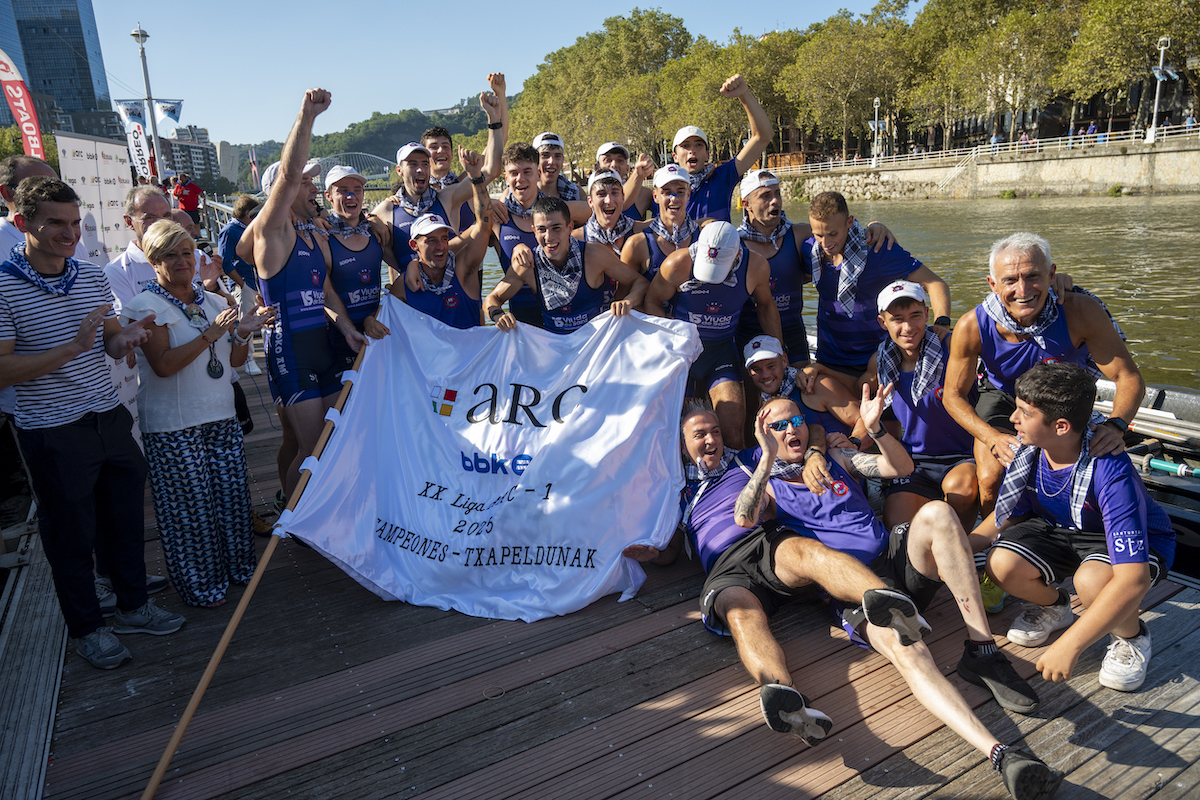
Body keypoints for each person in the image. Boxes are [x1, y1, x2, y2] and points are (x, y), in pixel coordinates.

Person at [625, 402, 1058, 800]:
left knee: (938, 514)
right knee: (907, 651)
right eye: (778, 425)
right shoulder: (741, 480)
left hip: (874, 559)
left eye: (795, 421)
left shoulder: (827, 456)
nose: (790, 429)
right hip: (797, 576)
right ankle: (1000, 753)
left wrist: (865, 431)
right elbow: (742, 517)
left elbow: (895, 465)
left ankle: (978, 646)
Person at [0, 176, 185, 669]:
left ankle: (133, 607)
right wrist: (73, 348)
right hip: (51, 429)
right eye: (55, 224)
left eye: (75, 223)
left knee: (124, 523)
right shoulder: (2, 285)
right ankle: (87, 629)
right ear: (22, 224)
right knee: (71, 537)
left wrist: (127, 339)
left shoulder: (88, 275)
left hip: (107, 416)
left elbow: (107, 340)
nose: (69, 234)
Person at [981, 363, 1175, 693]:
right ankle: (1055, 607)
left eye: (1024, 413)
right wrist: (960, 544)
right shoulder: (1030, 452)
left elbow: (1134, 578)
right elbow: (1009, 516)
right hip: (1062, 529)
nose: (1013, 420)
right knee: (1000, 563)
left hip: (1130, 541)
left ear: (1060, 426)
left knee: (1093, 582)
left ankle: (1132, 636)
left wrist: (1071, 645)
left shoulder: (1110, 470)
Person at [119, 220, 274, 607]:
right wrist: (213, 334)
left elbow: (235, 361)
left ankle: (240, 570)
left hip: (220, 415)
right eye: (170, 255)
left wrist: (242, 332)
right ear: (153, 262)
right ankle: (201, 586)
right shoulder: (145, 308)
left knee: (232, 499)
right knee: (189, 512)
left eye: (186, 252)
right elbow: (164, 366)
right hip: (173, 425)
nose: (182, 261)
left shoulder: (214, 301)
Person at [943, 232, 1144, 517]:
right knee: (990, 477)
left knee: (1101, 464)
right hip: (1004, 398)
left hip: (1063, 398)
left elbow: (1128, 377)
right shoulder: (971, 326)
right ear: (992, 284)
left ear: (1052, 275)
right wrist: (991, 438)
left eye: (1032, 276)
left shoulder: (1081, 311)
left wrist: (1116, 427)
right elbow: (953, 396)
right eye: (1010, 280)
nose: (1023, 290)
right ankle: (995, 543)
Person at [236, 88, 365, 497]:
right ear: (284, 194)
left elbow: (324, 288)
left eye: (312, 181)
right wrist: (307, 117)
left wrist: (345, 327)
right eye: (307, 182)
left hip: (322, 346)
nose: (312, 187)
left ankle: (316, 512)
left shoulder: (313, 235)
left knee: (332, 444)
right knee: (311, 449)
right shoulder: (273, 234)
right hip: (289, 351)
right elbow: (288, 178)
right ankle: (290, 521)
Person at [735, 170, 897, 366]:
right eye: (766, 196)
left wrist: (875, 226)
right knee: (749, 395)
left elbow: (842, 232)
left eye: (777, 193)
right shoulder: (734, 244)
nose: (775, 201)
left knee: (801, 390)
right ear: (746, 204)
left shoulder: (799, 235)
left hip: (792, 332)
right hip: (748, 333)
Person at [642, 220, 780, 450]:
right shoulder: (677, 263)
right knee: (679, 440)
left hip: (720, 353)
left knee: (733, 437)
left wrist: (779, 352)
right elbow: (653, 301)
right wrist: (670, 343)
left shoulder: (756, 266)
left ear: (737, 255)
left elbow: (765, 306)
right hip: (682, 355)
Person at [804, 191, 950, 392]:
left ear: (849, 222)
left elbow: (935, 283)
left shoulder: (879, 250)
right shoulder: (811, 252)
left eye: (833, 234)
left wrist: (942, 321)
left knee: (885, 422)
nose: (826, 244)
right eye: (818, 235)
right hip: (829, 359)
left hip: (876, 359)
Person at [863, 281, 979, 531]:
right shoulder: (881, 360)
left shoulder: (952, 346)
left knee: (961, 491)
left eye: (915, 316)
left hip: (961, 456)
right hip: (915, 461)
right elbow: (884, 415)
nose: (908, 327)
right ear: (883, 322)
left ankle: (965, 544)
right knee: (899, 524)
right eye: (897, 319)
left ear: (928, 314)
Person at [372, 79, 505, 270]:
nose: (420, 169)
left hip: (453, 294)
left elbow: (491, 170)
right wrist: (368, 219)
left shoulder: (447, 198)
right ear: (399, 171)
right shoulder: (386, 210)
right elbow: (352, 225)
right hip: (412, 297)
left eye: (425, 164)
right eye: (412, 164)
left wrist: (493, 119)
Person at [484, 196, 648, 334]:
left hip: (595, 343)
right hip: (557, 348)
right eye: (542, 229)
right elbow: (492, 299)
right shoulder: (528, 264)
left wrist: (628, 301)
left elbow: (640, 282)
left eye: (556, 228)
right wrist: (498, 314)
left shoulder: (594, 255)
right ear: (534, 231)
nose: (549, 237)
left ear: (570, 227)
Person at [398, 147, 492, 328]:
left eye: (443, 238)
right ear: (414, 245)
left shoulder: (464, 269)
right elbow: (384, 314)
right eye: (431, 240)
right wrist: (370, 321)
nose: (440, 246)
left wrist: (476, 178)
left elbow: (484, 225)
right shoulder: (403, 285)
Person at [321, 164, 395, 373]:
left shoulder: (376, 232)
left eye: (357, 189)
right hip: (340, 337)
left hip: (377, 331)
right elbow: (323, 294)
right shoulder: (322, 237)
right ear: (328, 196)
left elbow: (407, 270)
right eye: (342, 190)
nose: (351, 195)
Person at [670, 74, 772, 223]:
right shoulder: (663, 191)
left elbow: (763, 136)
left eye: (699, 145)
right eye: (685, 146)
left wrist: (744, 94)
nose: (692, 150)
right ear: (675, 157)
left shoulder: (722, 178)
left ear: (707, 155)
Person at [489, 143, 545, 327]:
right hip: (520, 319)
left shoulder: (559, 211)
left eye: (527, 171)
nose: (520, 179)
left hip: (560, 315)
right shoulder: (496, 218)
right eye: (514, 173)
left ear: (538, 174)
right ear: (506, 178)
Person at [620, 165, 701, 287]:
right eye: (667, 192)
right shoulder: (637, 244)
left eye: (680, 192)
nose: (674, 199)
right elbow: (624, 295)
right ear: (655, 196)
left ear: (688, 195)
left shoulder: (704, 237)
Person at [217, 195, 262, 374]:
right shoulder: (229, 231)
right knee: (247, 320)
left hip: (258, 281)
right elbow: (225, 262)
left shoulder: (251, 228)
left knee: (264, 317)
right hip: (244, 282)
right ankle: (250, 359)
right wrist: (241, 284)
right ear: (247, 213)